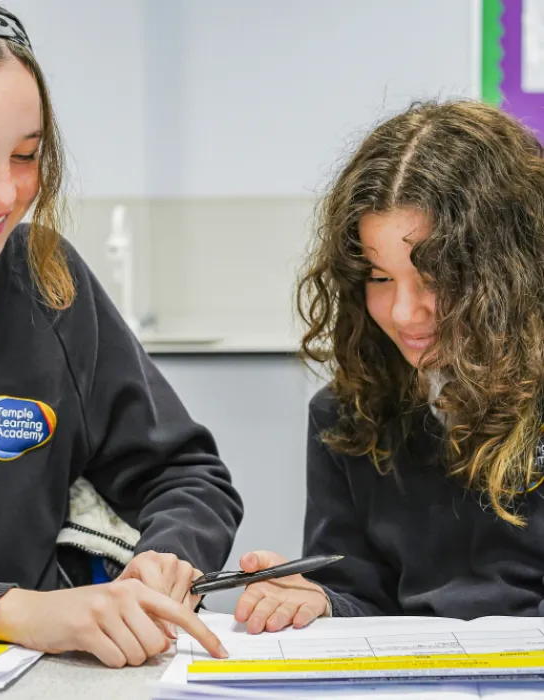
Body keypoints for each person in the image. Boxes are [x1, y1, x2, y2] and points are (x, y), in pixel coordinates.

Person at [0, 0, 242, 667]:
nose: (3, 193)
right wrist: (10, 611)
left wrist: (167, 558)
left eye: (26, 155)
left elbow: (186, 475)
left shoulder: (49, 283)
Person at [233, 100, 544, 633]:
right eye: (379, 278)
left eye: (436, 278)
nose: (403, 313)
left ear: (512, 271)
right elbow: (359, 594)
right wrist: (320, 603)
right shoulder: (347, 414)